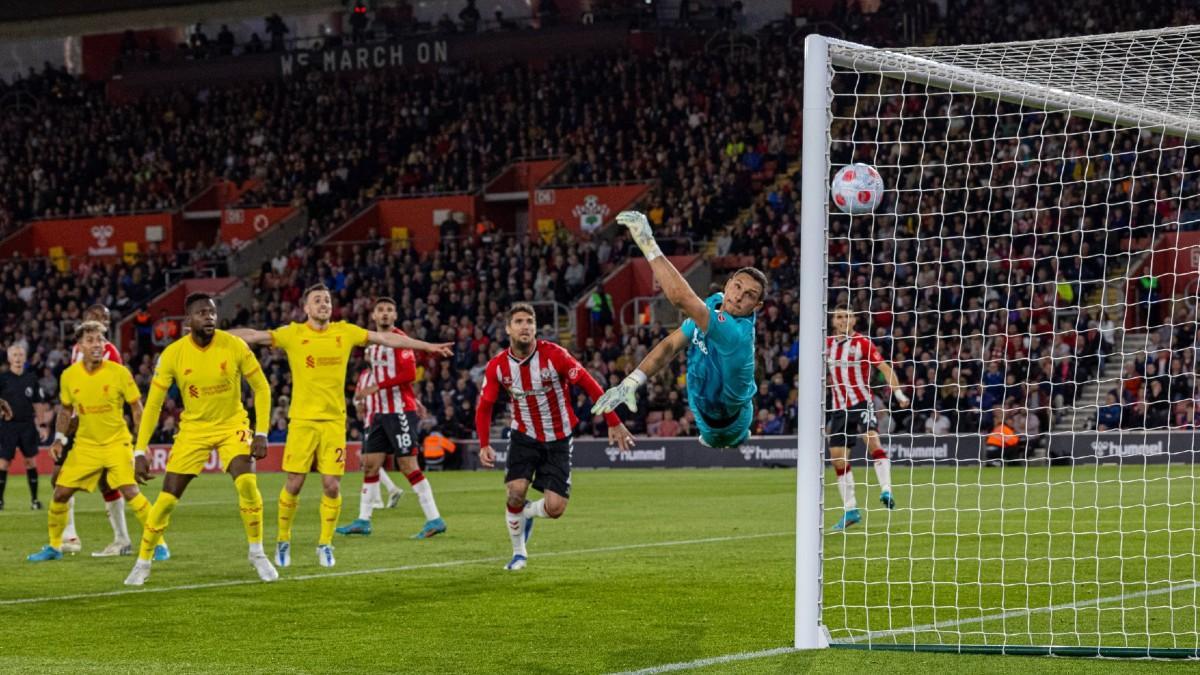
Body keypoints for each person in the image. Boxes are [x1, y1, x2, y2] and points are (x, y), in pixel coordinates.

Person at [230, 284, 452, 569]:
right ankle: (283, 540)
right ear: (306, 308)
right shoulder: (293, 333)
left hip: (334, 422)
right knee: (294, 483)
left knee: (331, 486)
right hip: (302, 421)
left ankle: (325, 543)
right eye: (317, 300)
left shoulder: (345, 331)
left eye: (327, 300)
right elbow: (253, 336)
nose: (323, 304)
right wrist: (217, 335)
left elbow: (389, 340)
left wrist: (427, 347)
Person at [124, 293, 276, 586]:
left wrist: (261, 432)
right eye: (202, 313)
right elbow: (153, 404)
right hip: (193, 430)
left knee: (247, 482)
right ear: (188, 321)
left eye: (212, 313)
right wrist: (139, 450)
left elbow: (262, 388)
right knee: (166, 500)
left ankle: (257, 552)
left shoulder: (234, 345)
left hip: (232, 424)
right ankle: (143, 561)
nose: (209, 317)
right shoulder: (173, 354)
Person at [476, 303, 635, 571]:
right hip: (524, 434)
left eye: (530, 321)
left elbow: (590, 384)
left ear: (535, 327)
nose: (525, 326)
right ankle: (518, 554)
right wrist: (483, 443)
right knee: (515, 491)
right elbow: (484, 407)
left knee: (556, 508)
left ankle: (527, 513)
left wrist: (613, 420)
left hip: (559, 437)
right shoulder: (498, 367)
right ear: (508, 329)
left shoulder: (555, 355)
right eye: (519, 321)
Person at [593, 211, 764, 450]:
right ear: (727, 285)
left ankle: (740, 434)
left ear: (757, 307)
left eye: (750, 296)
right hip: (701, 406)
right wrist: (630, 383)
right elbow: (671, 345)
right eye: (737, 287)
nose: (739, 297)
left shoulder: (736, 334)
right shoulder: (715, 303)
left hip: (728, 424)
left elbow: (679, 298)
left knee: (729, 437)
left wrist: (646, 241)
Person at [27, 322, 153, 562]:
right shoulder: (69, 376)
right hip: (86, 446)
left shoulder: (119, 372)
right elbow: (65, 411)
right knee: (60, 492)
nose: (97, 344)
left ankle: (157, 543)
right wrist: (59, 440)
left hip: (117, 442)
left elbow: (137, 408)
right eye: (91, 340)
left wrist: (141, 443)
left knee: (130, 490)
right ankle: (55, 546)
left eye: (100, 340)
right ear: (80, 345)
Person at [336, 297, 446, 539]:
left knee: (408, 465)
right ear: (373, 316)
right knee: (369, 463)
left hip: (398, 411)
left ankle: (434, 519)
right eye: (380, 310)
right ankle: (363, 520)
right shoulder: (371, 344)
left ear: (395, 316)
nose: (385, 314)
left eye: (389, 310)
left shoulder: (400, 339)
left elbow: (407, 373)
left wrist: (379, 388)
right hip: (378, 413)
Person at [824, 305, 910, 532]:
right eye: (839, 317)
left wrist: (899, 393)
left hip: (862, 401)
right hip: (839, 409)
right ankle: (851, 510)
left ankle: (886, 488)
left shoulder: (862, 343)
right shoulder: (827, 345)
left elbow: (885, 368)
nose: (843, 320)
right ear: (834, 321)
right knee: (837, 458)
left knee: (871, 440)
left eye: (847, 316)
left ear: (854, 320)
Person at [62, 304, 135, 557]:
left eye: (104, 318)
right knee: (99, 483)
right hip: (81, 425)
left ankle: (149, 542)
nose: (100, 321)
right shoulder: (76, 351)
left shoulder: (110, 353)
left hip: (102, 428)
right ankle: (77, 536)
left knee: (120, 485)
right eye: (95, 317)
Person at [0, 343, 45, 511]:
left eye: (20, 355)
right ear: (9, 358)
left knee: (30, 462)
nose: (18, 358)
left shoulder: (31, 378)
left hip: (27, 425)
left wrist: (41, 425)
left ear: (25, 358)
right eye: (15, 355)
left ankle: (34, 500)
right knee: (3, 463)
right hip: (7, 426)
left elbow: (38, 403)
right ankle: (0, 501)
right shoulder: (3, 379)